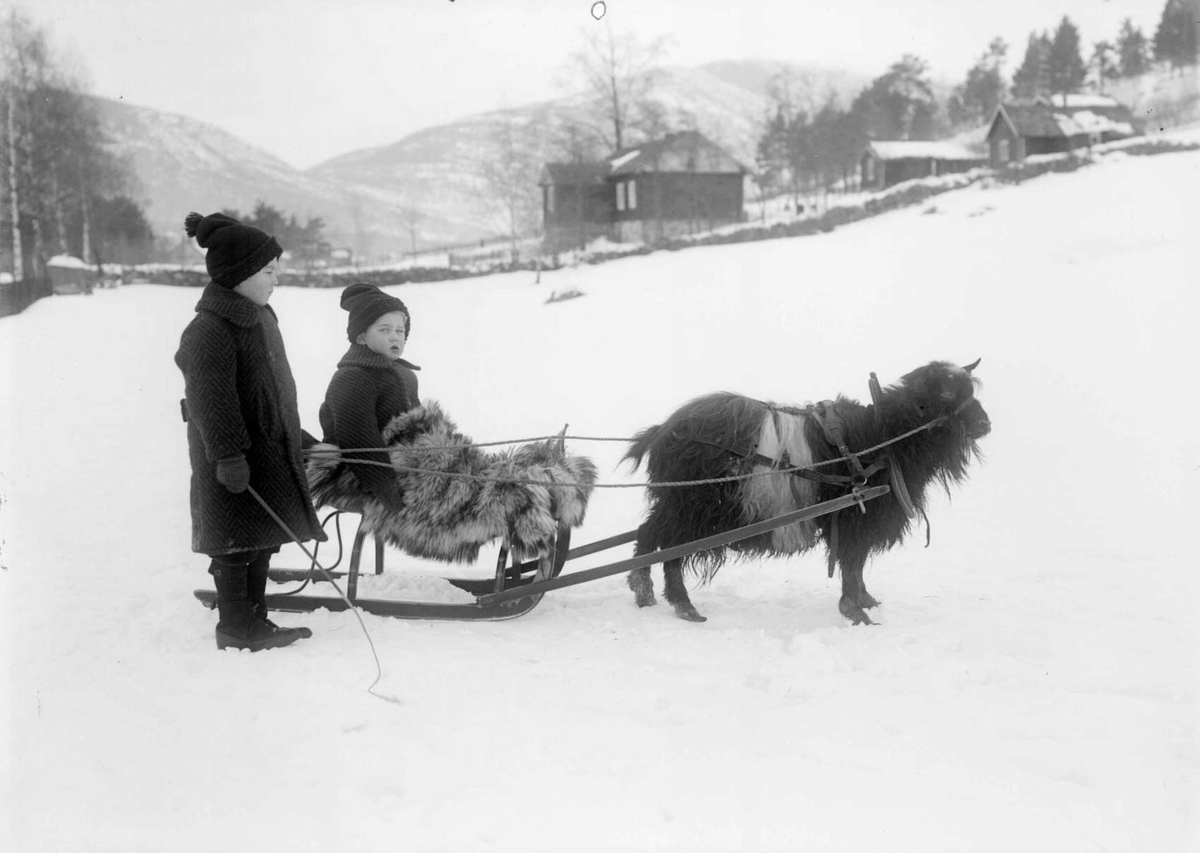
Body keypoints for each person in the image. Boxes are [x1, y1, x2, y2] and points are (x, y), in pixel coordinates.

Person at [175, 211, 326, 652]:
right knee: (235, 543)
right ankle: (236, 627)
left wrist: (301, 441)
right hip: (233, 462)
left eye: (275, 270)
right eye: (267, 271)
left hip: (268, 453)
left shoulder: (260, 318)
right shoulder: (209, 330)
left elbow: (274, 396)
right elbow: (210, 401)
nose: (275, 279)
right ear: (238, 275)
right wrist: (227, 456)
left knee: (262, 536)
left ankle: (257, 618)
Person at [318, 283, 420, 512]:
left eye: (400, 331)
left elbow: (418, 422)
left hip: (399, 463)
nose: (394, 337)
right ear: (361, 337)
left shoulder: (405, 375)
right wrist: (384, 484)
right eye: (384, 330)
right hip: (357, 471)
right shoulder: (352, 377)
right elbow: (358, 437)